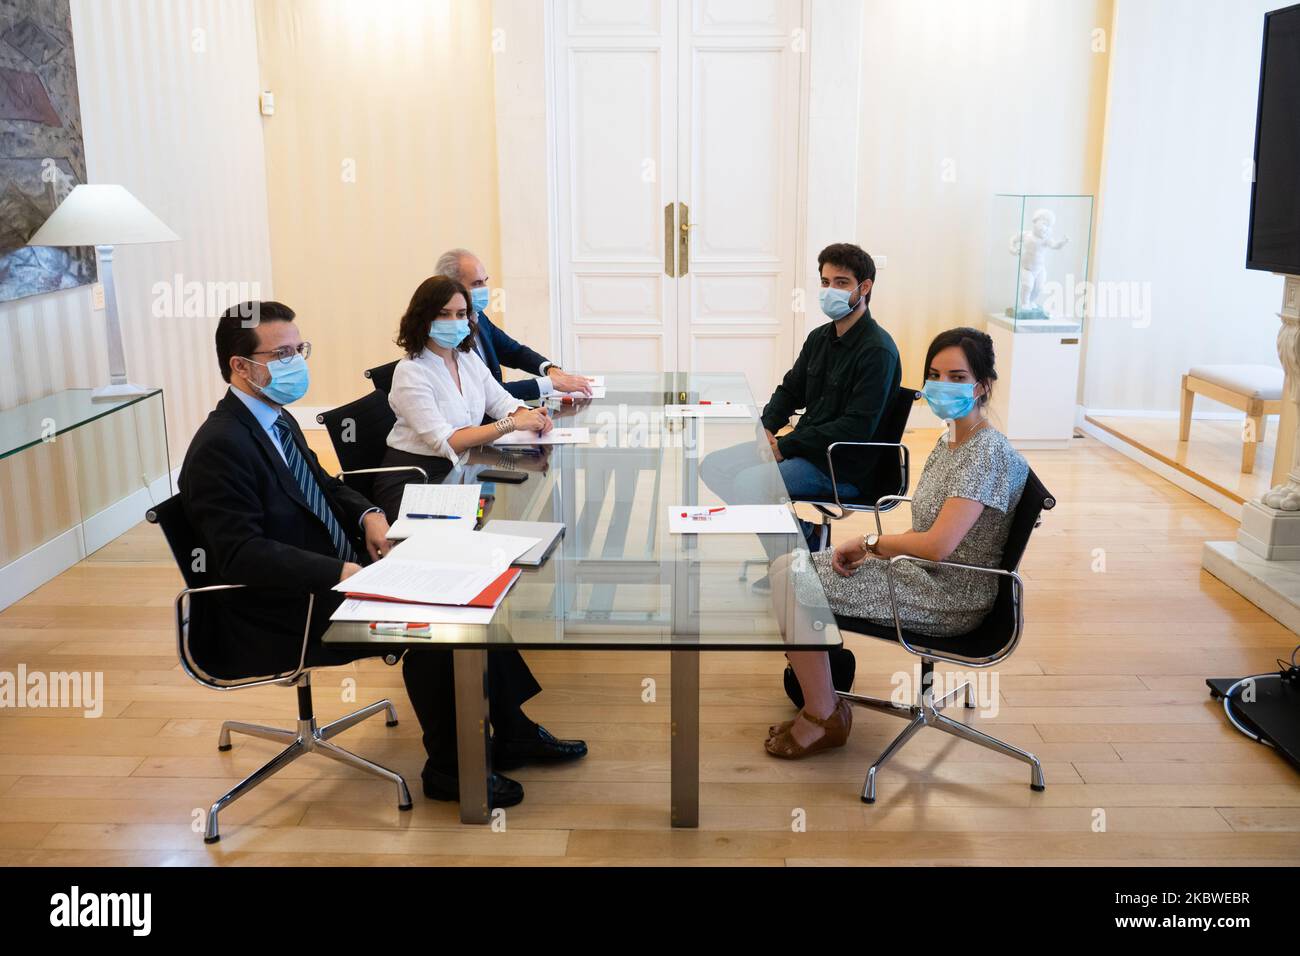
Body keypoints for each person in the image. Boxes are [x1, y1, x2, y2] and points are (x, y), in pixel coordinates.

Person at [181, 301, 585, 811]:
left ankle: (512, 731)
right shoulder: (222, 444)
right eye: (281, 353)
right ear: (240, 366)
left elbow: (325, 485)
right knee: (441, 622)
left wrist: (371, 512)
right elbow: (241, 554)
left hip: (332, 570)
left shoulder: (271, 418)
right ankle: (451, 770)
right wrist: (343, 571)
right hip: (284, 607)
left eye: (298, 349)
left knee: (474, 582)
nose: (294, 362)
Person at [764, 327, 1029, 760]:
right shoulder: (954, 438)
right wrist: (874, 546)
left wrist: (871, 542)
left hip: (951, 595)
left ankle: (822, 716)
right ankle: (824, 700)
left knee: (790, 582)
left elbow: (939, 546)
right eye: (935, 373)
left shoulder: (985, 453)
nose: (943, 384)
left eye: (958, 377)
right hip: (926, 574)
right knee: (785, 569)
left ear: (982, 385)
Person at [699, 243, 901, 582]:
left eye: (840, 283)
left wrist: (785, 447)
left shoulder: (878, 350)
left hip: (842, 464)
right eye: (824, 282)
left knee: (751, 483)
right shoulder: (819, 338)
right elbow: (790, 389)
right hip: (806, 450)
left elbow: (855, 428)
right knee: (713, 466)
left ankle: (795, 566)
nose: (829, 291)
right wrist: (767, 427)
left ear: (863, 288)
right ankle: (803, 540)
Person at [372, 275, 555, 511]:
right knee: (487, 523)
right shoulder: (411, 372)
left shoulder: (466, 357)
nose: (455, 321)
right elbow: (448, 442)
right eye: (444, 314)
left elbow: (500, 400)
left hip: (462, 468)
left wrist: (529, 415)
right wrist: (512, 423)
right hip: (416, 480)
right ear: (423, 318)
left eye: (461, 314)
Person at [435, 247, 594, 400]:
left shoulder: (477, 317)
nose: (484, 289)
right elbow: (489, 393)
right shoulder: (448, 333)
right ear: (450, 286)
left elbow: (513, 351)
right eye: (476, 283)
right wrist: (549, 384)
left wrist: (548, 369)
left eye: (485, 281)